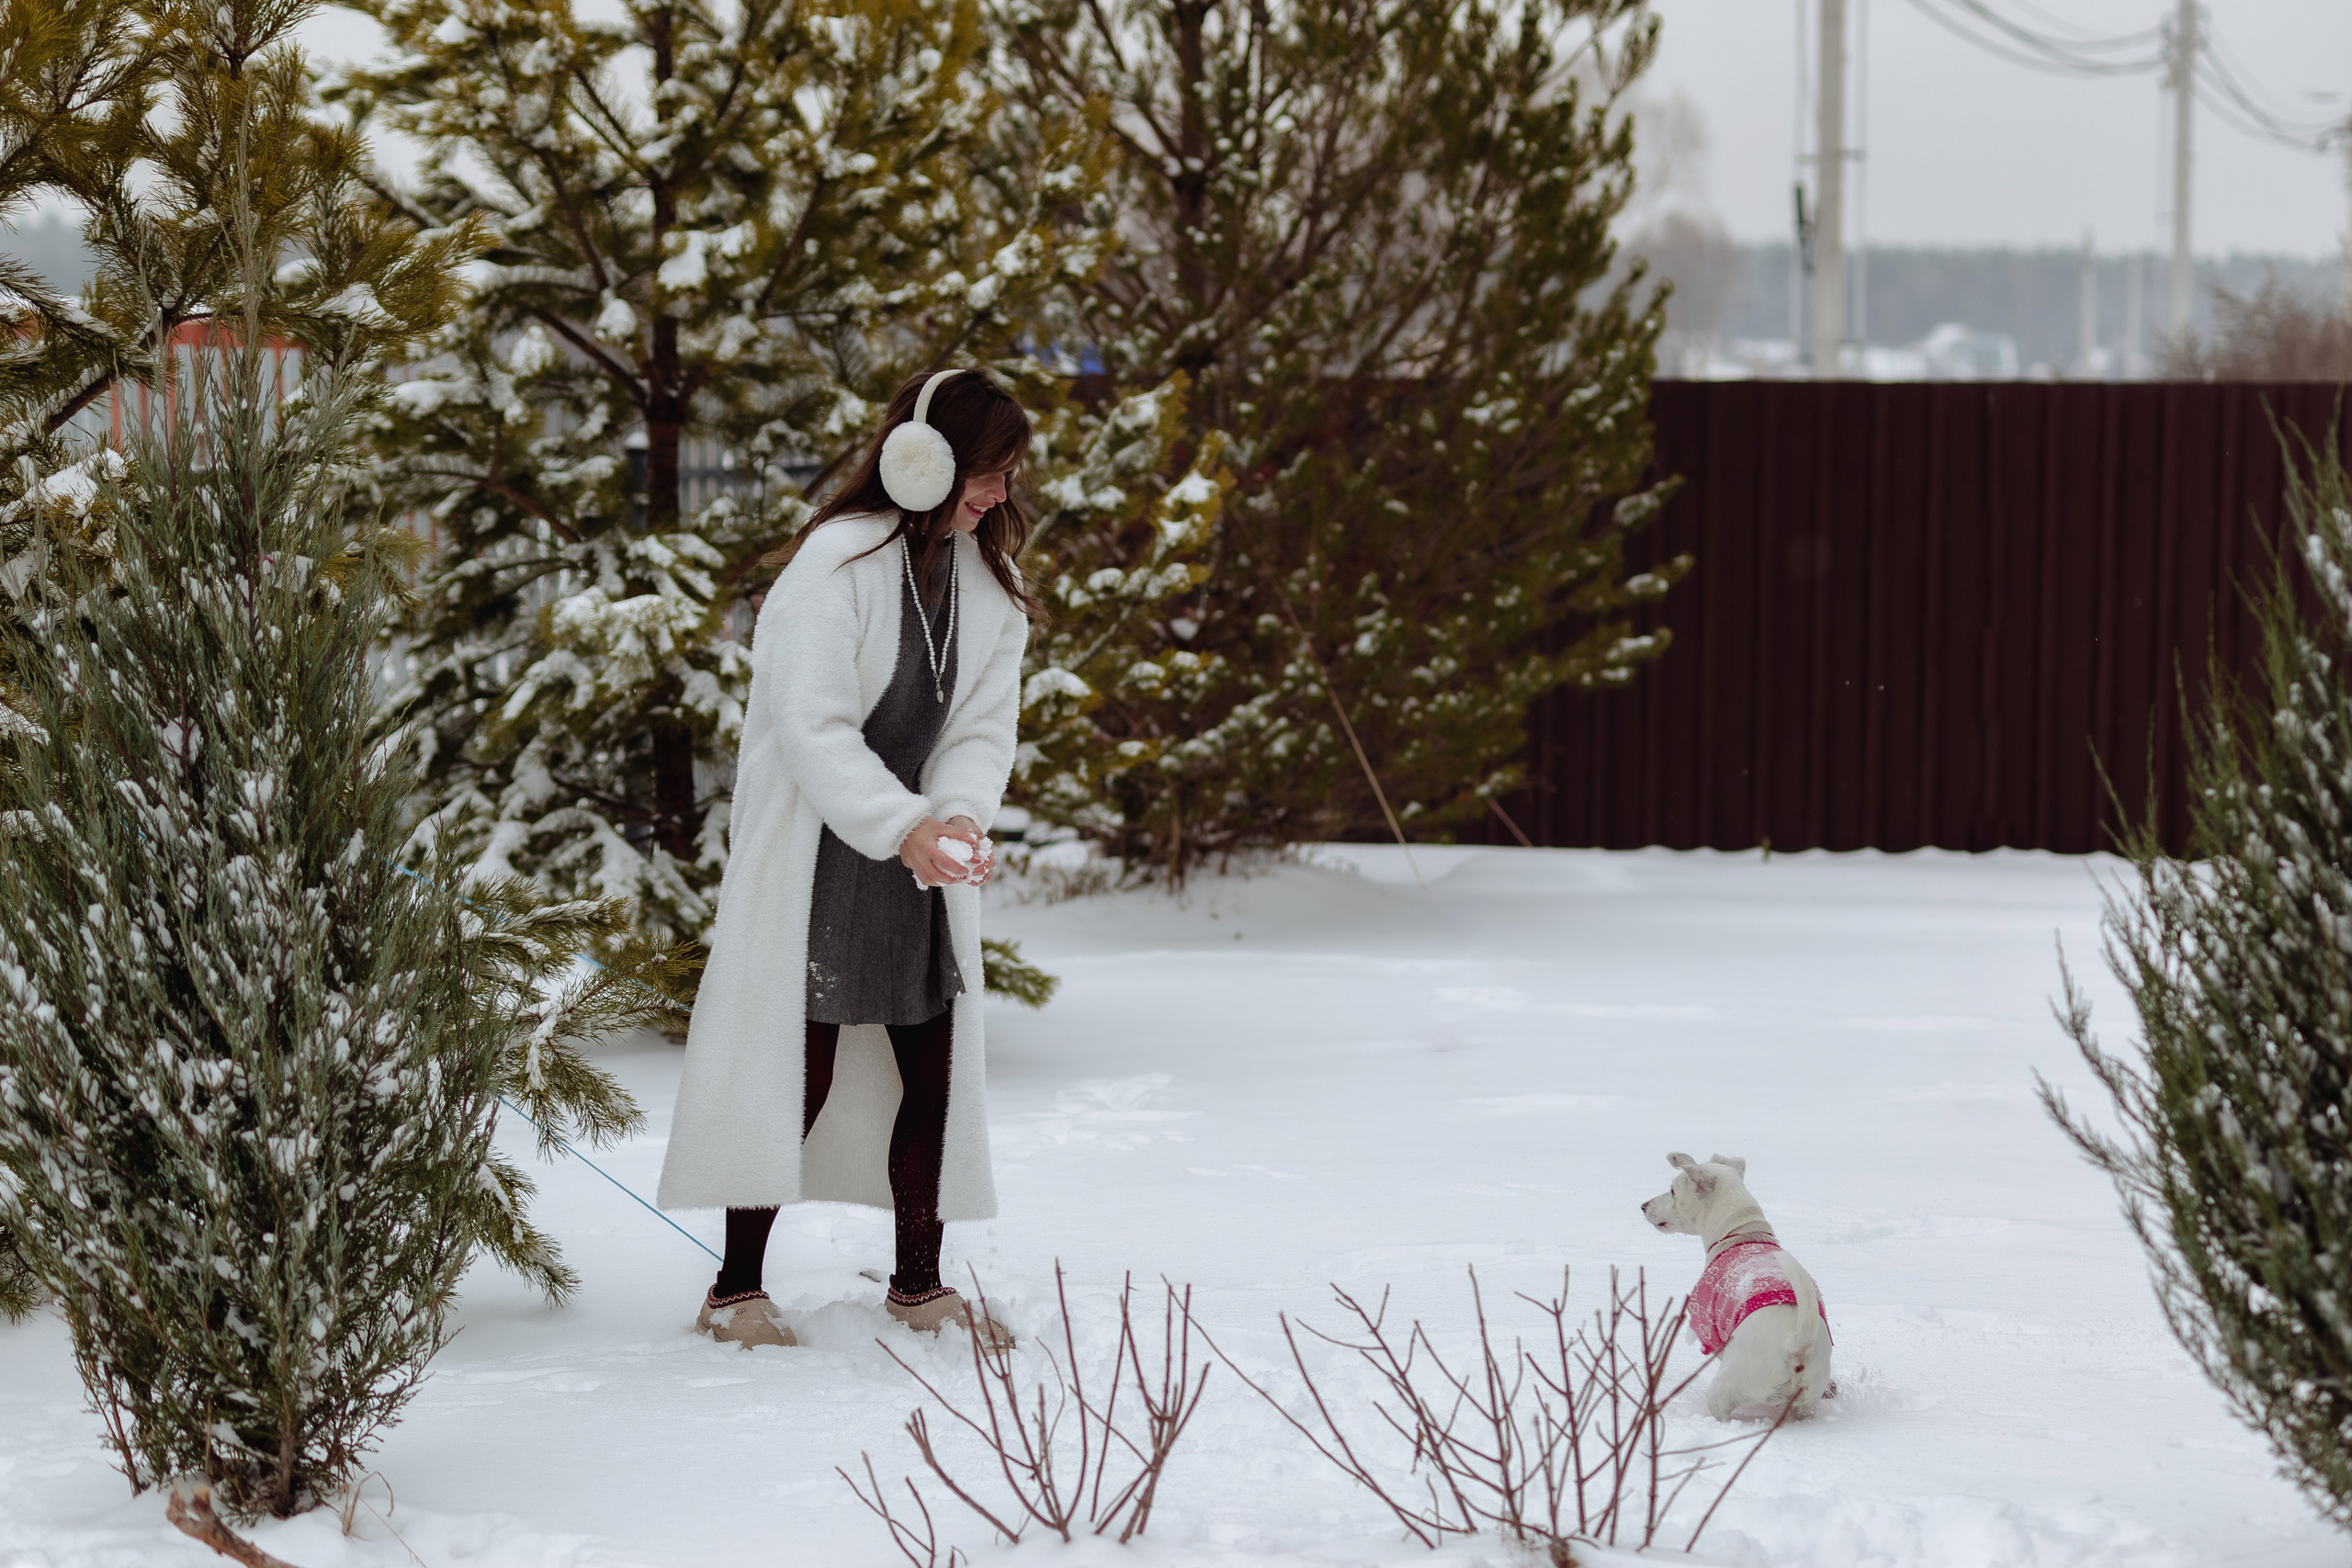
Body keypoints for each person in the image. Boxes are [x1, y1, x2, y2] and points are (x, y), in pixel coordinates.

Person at [656, 368, 1037, 1348]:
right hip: (821, 855)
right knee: (797, 1079)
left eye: (1007, 473)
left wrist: (955, 819)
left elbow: (982, 728)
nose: (999, 492)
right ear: (926, 459)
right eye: (987, 470)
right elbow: (810, 725)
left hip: (914, 865)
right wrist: (898, 822)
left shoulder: (988, 588)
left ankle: (918, 1284)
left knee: (931, 1077)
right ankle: (734, 1289)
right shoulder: (834, 563)